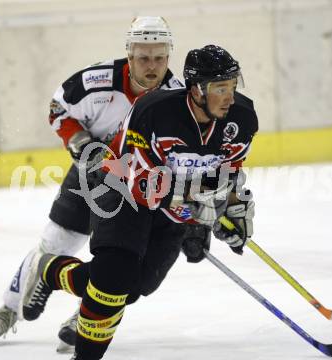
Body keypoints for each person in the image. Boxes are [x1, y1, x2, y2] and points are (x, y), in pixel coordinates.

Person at [23, 44, 258, 360]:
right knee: (112, 283)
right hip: (120, 191)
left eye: (232, 86)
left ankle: (49, 270)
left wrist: (233, 210)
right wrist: (196, 209)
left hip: (169, 205)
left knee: (135, 288)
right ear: (196, 89)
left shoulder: (241, 118)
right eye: (220, 88)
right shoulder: (154, 112)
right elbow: (139, 180)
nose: (229, 96)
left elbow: (228, 173)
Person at [0, 16, 185, 348]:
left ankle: (85, 315)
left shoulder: (178, 98)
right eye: (143, 57)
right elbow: (59, 107)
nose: (152, 66)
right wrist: (83, 146)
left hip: (139, 189)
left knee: (122, 263)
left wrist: (189, 217)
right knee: (54, 242)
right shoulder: (96, 81)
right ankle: (9, 309)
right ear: (129, 55)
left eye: (159, 58)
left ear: (168, 57)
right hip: (91, 174)